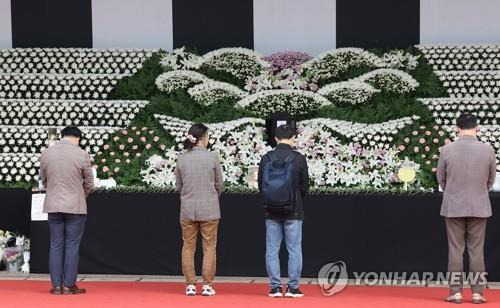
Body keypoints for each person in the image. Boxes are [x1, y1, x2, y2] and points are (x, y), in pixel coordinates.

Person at [437, 114, 497, 304]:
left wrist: (453, 191)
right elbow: (491, 180)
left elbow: (441, 179)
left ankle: (456, 292)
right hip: (479, 205)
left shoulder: (447, 149)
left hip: (454, 205)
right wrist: (479, 191)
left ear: (457, 129)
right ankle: (478, 293)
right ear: (476, 128)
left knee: (455, 250)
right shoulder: (488, 150)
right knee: (476, 251)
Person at [39, 126, 94, 295]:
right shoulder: (82, 154)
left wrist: (54, 192)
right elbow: (90, 183)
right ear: (77, 138)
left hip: (54, 205)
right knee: (72, 245)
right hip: (75, 206)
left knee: (55, 245)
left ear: (62, 136)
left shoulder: (46, 153)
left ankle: (56, 285)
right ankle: (69, 284)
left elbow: (44, 180)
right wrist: (79, 195)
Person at [258, 124, 309, 298]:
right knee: (294, 249)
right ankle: (293, 288)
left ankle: (275, 288)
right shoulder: (299, 159)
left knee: (272, 249)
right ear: (293, 138)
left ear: (275, 139)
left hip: (271, 211)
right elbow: (304, 186)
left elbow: (261, 186)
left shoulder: (266, 158)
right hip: (293, 211)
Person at [175, 123, 223, 296]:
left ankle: (190, 284)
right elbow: (219, 184)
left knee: (188, 246)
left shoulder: (182, 158)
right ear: (203, 137)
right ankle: (207, 285)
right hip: (209, 208)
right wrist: (212, 196)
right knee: (209, 246)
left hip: (188, 209)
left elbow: (179, 186)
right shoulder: (212, 157)